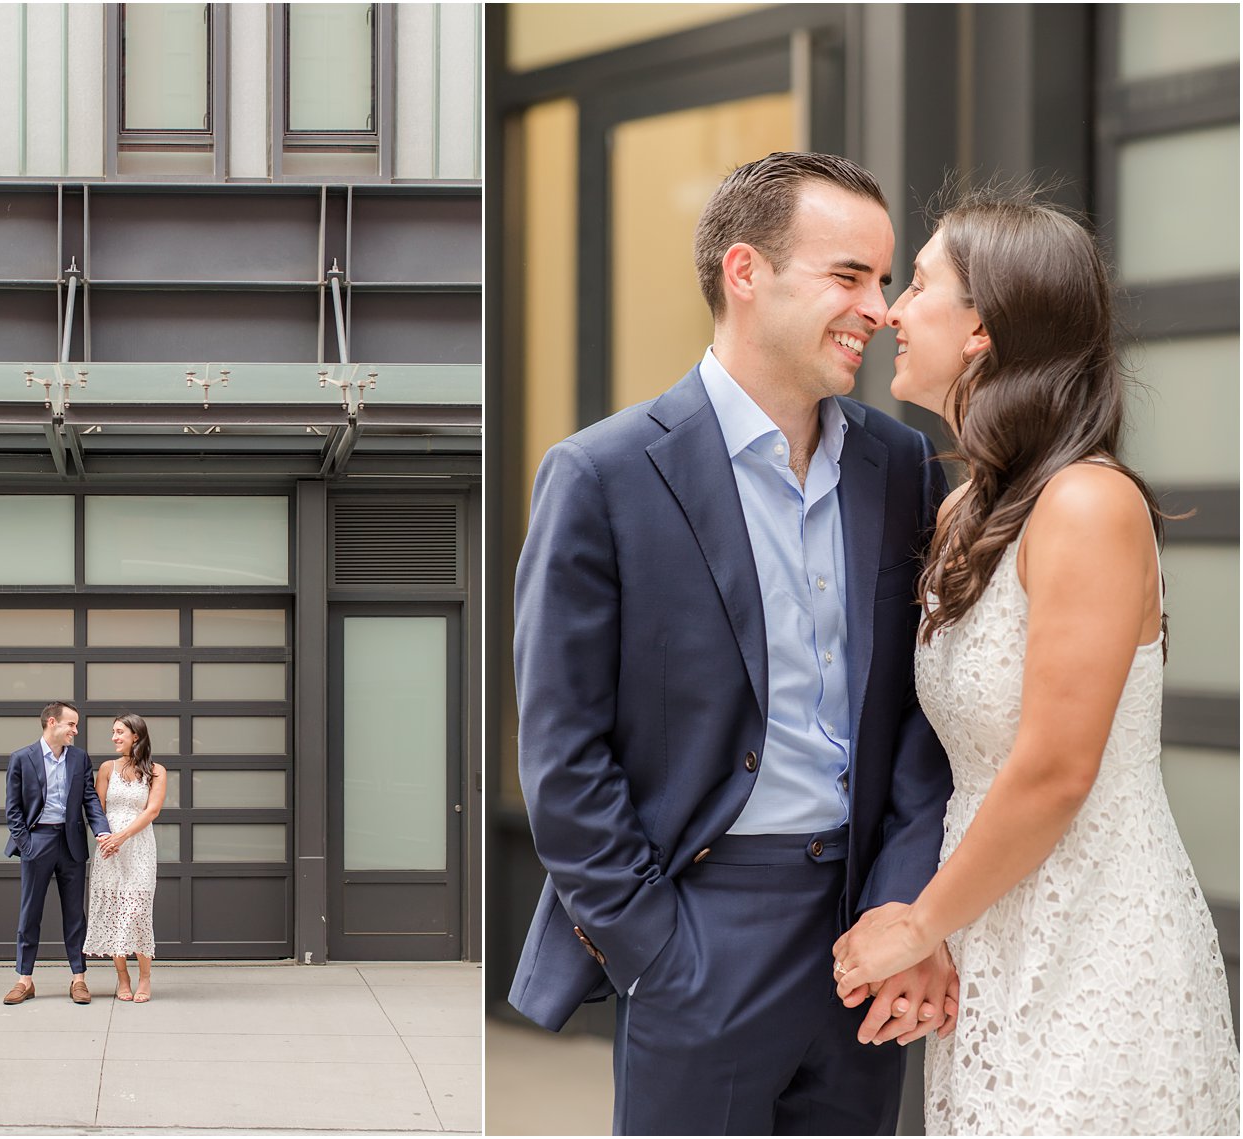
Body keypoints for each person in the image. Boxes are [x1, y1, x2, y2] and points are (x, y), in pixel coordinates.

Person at [509, 151, 957, 1136]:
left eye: (883, 280)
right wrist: (656, 952)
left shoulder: (901, 466)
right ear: (745, 272)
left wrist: (899, 910)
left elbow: (924, 714)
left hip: (859, 924)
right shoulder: (600, 475)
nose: (878, 308)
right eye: (848, 276)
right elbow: (560, 751)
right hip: (699, 927)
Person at [830, 188, 1240, 1134]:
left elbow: (1056, 768)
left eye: (918, 284)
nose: (890, 310)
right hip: (990, 940)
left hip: (1096, 941)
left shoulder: (1088, 504)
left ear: (982, 326)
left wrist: (917, 922)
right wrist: (940, 929)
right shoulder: (963, 510)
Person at [3, 700, 112, 1005]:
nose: (75, 731)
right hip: (38, 842)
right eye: (71, 724)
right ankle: (24, 980)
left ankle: (79, 979)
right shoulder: (22, 759)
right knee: (30, 913)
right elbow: (13, 810)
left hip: (71, 843)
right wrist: (27, 846)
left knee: (75, 915)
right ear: (52, 722)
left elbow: (90, 798)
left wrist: (101, 829)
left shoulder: (78, 759)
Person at [85, 713, 166, 1002]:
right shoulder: (107, 767)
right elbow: (97, 807)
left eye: (120, 732)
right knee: (114, 910)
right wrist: (105, 837)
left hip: (139, 845)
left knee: (138, 910)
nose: (114, 737)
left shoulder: (157, 771)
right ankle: (122, 977)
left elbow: (152, 810)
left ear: (136, 735)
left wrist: (123, 836)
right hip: (109, 849)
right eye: (113, 732)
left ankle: (145, 977)